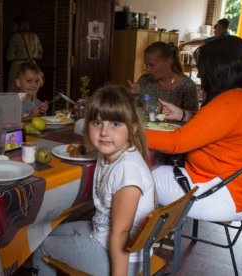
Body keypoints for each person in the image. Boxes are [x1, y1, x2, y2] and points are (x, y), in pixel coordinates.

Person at [32, 84, 155, 275]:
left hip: (121, 261)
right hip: (102, 234)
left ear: (132, 129)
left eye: (115, 124)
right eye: (97, 123)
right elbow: (85, 134)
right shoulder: (111, 151)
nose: (104, 132)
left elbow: (121, 233)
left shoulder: (127, 170)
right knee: (40, 234)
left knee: (39, 247)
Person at [145, 36, 242, 222]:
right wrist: (182, 115)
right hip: (232, 189)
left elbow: (177, 143)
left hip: (215, 191)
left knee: (130, 173)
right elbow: (218, 128)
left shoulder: (231, 102)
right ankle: (160, 234)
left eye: (203, 68)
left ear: (219, 69)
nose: (201, 75)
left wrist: (128, 131)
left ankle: (136, 239)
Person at [128, 41, 199, 115]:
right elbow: (134, 113)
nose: (148, 70)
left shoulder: (187, 86)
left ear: (169, 61)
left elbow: (193, 118)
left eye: (152, 65)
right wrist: (133, 97)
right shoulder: (144, 80)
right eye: (146, 65)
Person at [6, 15, 43, 92]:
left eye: (14, 24)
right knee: (32, 88)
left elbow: (10, 56)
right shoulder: (35, 36)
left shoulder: (15, 37)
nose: (12, 26)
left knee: (16, 89)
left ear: (18, 25)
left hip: (18, 65)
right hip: (32, 64)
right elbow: (40, 54)